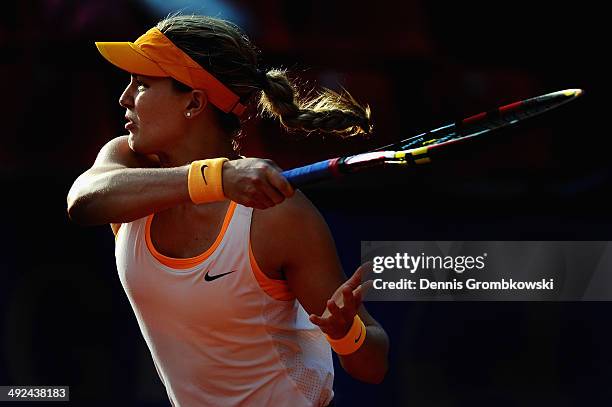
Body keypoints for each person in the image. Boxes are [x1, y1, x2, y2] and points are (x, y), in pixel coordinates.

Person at [67, 14, 388, 407]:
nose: (125, 97)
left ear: (194, 103)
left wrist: (345, 333)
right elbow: (84, 202)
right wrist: (217, 178)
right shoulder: (127, 161)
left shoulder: (277, 217)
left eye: (143, 83)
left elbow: (372, 366)